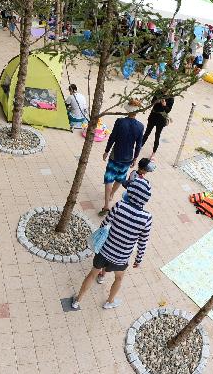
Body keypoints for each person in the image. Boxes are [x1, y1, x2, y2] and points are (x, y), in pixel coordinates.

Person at [71, 176, 153, 310]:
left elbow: (104, 224)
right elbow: (143, 242)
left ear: (131, 192)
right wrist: (138, 258)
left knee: (92, 274)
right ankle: (110, 301)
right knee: (119, 279)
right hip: (121, 258)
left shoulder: (119, 205)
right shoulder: (147, 218)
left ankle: (77, 301)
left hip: (104, 250)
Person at [101, 101, 145, 216]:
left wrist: (106, 151)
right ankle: (111, 195)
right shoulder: (140, 126)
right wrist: (135, 158)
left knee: (109, 178)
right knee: (120, 178)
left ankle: (106, 205)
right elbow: (138, 145)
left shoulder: (120, 122)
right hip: (128, 157)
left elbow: (112, 138)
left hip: (115, 155)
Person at [141, 92, 174, 158]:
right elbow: (152, 102)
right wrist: (157, 101)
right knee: (147, 132)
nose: (164, 90)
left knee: (157, 135)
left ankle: (153, 152)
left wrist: (164, 105)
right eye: (164, 88)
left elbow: (168, 110)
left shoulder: (171, 98)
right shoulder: (158, 93)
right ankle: (140, 146)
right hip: (153, 116)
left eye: (167, 89)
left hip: (161, 119)